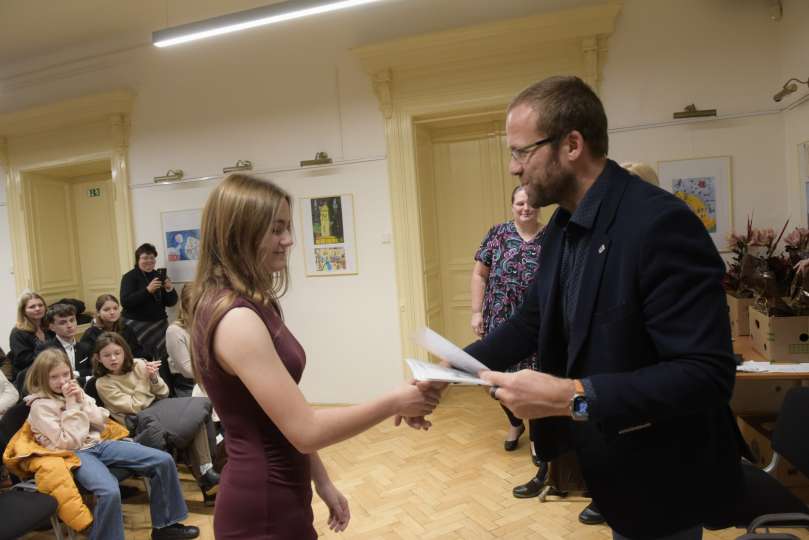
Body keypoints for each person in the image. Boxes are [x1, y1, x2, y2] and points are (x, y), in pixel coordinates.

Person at [458, 76, 743, 540]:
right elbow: (533, 319)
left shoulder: (660, 223)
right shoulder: (564, 224)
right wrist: (453, 369)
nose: (513, 168)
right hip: (613, 468)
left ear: (572, 145)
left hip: (664, 476)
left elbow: (705, 374)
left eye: (522, 152)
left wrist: (568, 395)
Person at [188, 173, 439, 539]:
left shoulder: (252, 304)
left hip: (281, 492)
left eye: (287, 227)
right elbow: (306, 430)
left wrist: (321, 481)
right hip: (262, 506)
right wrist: (394, 401)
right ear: (239, 233)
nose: (289, 240)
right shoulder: (237, 319)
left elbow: (284, 413)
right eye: (276, 229)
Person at [20, 348, 199, 540]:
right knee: (109, 491)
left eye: (65, 374)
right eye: (54, 377)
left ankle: (165, 526)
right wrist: (72, 407)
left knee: (163, 460)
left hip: (97, 443)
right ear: (42, 378)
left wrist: (82, 402)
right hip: (73, 454)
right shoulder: (40, 407)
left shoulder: (75, 391)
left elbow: (100, 422)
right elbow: (68, 443)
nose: (62, 381)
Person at [470, 185, 549, 498]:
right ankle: (515, 421)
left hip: (537, 323)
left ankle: (538, 441)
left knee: (535, 380)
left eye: (530, 203)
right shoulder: (497, 234)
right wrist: (476, 312)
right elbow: (479, 275)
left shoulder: (551, 236)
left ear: (539, 205)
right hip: (500, 318)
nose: (525, 208)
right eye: (519, 203)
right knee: (495, 380)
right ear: (512, 205)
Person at [92, 332, 220, 502]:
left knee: (197, 412)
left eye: (117, 353)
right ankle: (206, 474)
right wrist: (143, 380)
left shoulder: (139, 364)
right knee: (194, 421)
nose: (113, 358)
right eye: (107, 355)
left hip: (159, 407)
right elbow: (135, 407)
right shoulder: (103, 383)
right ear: (99, 358)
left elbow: (163, 392)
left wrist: (153, 378)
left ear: (125, 352)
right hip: (139, 422)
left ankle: (207, 475)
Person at [120, 243, 178, 359]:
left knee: (162, 359)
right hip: (136, 325)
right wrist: (147, 291)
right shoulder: (129, 277)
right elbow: (125, 302)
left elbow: (171, 303)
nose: (149, 261)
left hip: (159, 325)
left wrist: (169, 289)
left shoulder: (159, 276)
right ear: (138, 260)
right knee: (140, 358)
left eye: (152, 257)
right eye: (145, 258)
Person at [34, 303, 93, 388]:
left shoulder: (85, 347)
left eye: (72, 320)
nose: (69, 325)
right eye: (63, 323)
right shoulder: (45, 349)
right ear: (52, 327)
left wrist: (77, 374)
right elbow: (43, 376)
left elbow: (93, 370)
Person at [80, 294, 145, 359]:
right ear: (98, 313)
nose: (112, 312)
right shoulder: (90, 334)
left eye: (115, 308)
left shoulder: (126, 329)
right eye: (106, 309)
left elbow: (136, 352)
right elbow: (87, 358)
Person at [8, 291, 52, 377]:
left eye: (40, 305)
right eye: (32, 307)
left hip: (51, 370)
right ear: (23, 311)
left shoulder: (49, 328)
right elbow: (24, 361)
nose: (38, 309)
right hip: (29, 375)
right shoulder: (17, 333)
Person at [164, 286, 196, 396]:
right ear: (186, 306)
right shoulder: (175, 330)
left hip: (207, 378)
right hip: (188, 384)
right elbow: (187, 370)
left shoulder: (205, 325)